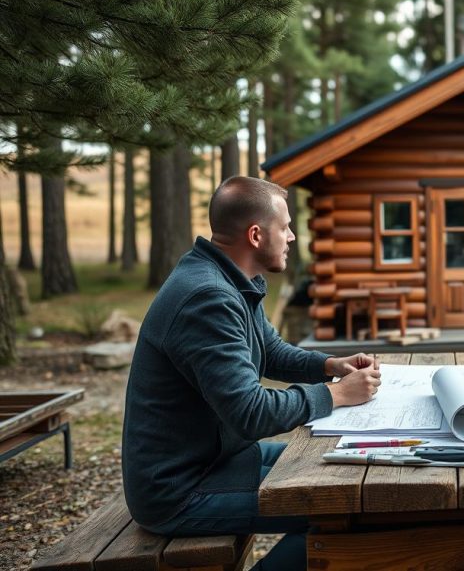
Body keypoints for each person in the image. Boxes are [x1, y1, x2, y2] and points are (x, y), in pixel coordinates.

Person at [121, 176, 382, 570]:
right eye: (286, 227)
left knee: (344, 474)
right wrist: (338, 394)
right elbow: (251, 412)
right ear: (256, 235)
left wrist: (330, 366)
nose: (293, 236)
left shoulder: (231, 279)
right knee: (342, 507)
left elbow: (271, 351)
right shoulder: (207, 298)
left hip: (220, 459)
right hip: (181, 489)